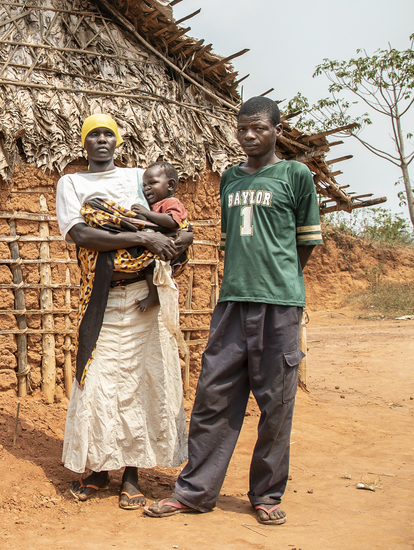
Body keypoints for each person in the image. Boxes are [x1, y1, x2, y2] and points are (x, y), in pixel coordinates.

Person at [145, 96, 323, 526]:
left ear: (277, 130)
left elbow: (306, 242)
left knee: (276, 404)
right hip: (231, 304)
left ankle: (265, 494)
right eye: (242, 128)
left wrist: (278, 282)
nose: (248, 135)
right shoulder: (229, 179)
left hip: (279, 306)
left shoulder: (296, 175)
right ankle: (194, 492)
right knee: (213, 397)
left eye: (258, 128)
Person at [56, 113, 192, 510]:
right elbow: (80, 233)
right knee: (95, 381)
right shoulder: (73, 183)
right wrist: (140, 236)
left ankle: (131, 474)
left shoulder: (137, 177)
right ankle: (98, 468)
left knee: (139, 383)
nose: (101, 140)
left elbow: (173, 222)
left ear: (117, 141)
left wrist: (162, 239)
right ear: (84, 143)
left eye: (107, 134)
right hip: (101, 296)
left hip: (142, 298)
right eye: (93, 135)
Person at [131, 161, 189, 312]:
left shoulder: (171, 202)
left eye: (153, 183)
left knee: (152, 264)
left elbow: (172, 221)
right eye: (144, 185)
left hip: (173, 248)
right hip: (165, 245)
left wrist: (146, 213)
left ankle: (154, 295)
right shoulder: (156, 204)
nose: (147, 188)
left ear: (170, 185)